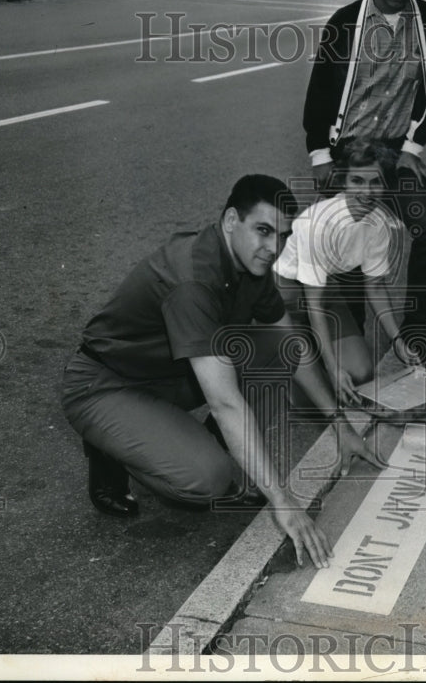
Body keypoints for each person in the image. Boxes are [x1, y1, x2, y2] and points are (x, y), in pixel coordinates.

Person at [61, 175, 379, 567]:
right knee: (206, 480)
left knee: (275, 350)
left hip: (171, 373)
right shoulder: (194, 280)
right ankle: (110, 443)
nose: (273, 248)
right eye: (262, 231)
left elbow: (291, 345)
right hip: (105, 384)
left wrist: (341, 425)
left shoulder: (251, 263)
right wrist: (284, 502)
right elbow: (226, 403)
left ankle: (212, 449)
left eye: (282, 235)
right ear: (231, 220)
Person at [303, 0, 426, 356]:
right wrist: (319, 155)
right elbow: (319, 94)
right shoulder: (345, 22)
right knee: (352, 241)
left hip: (396, 150)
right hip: (350, 151)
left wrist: (412, 149)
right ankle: (353, 340)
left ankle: (416, 326)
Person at [274, 138, 424, 405]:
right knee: (309, 396)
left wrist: (398, 339)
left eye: (375, 182)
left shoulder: (379, 224)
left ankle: (314, 349)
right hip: (284, 296)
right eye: (357, 181)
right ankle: (299, 353)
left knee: (361, 374)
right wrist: (333, 370)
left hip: (325, 289)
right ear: (343, 182)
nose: (366, 192)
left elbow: (375, 287)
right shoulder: (319, 223)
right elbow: (314, 306)